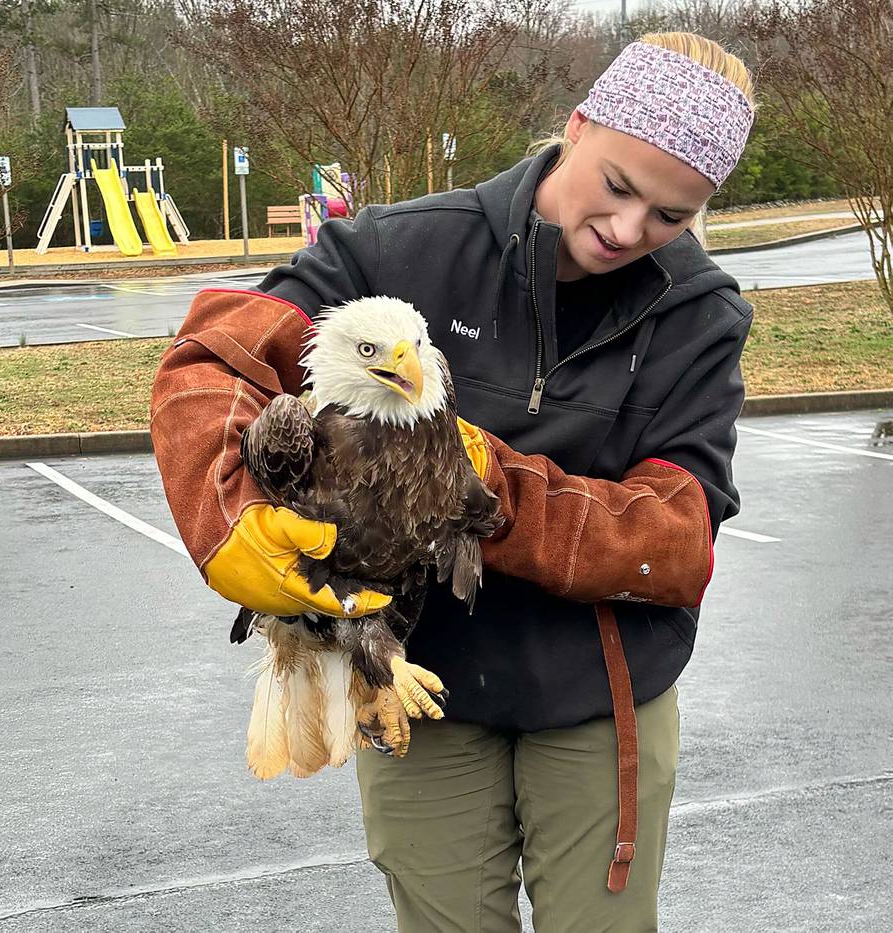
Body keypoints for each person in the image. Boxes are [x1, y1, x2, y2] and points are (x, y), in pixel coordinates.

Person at [151, 32, 754, 931]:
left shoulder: (699, 317)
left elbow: (673, 537)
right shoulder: (398, 252)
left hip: (598, 690)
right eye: (620, 186)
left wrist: (476, 482)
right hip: (412, 670)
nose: (629, 230)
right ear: (577, 127)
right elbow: (214, 359)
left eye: (672, 215)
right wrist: (225, 516)